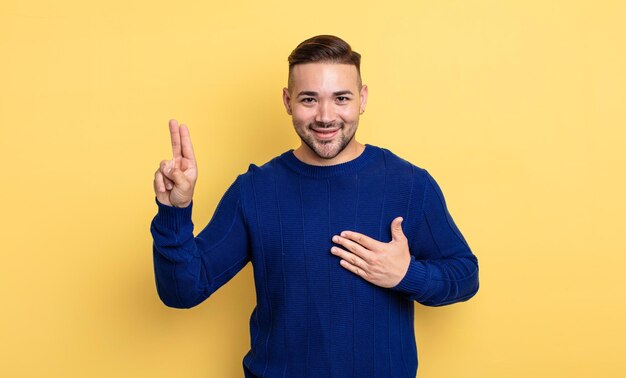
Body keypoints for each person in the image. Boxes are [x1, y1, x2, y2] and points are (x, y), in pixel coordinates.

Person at [150, 34, 479, 378]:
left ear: (362, 98)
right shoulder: (254, 191)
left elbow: (465, 275)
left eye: (341, 98)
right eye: (309, 99)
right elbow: (183, 291)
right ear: (288, 101)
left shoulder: (409, 184)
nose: (325, 116)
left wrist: (407, 274)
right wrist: (175, 211)